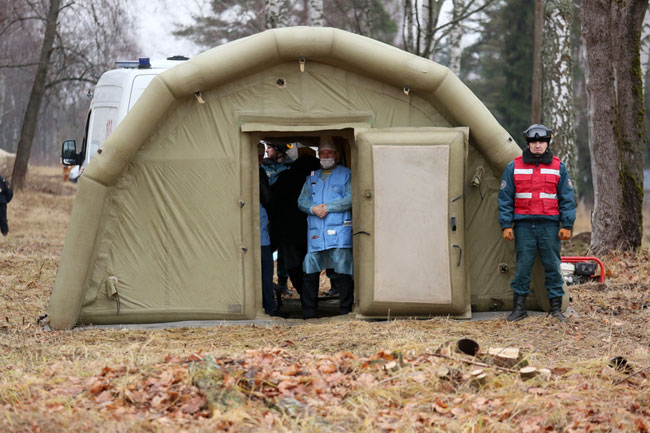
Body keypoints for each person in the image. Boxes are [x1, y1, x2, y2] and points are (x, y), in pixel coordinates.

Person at [498, 124, 576, 323]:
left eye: (542, 142)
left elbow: (567, 198)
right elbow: (505, 198)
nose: (538, 145)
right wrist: (506, 225)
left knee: (552, 266)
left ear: (547, 143)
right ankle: (519, 309)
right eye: (534, 142)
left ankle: (556, 309)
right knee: (523, 267)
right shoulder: (513, 167)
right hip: (524, 227)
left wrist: (566, 225)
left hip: (549, 227)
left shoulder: (559, 167)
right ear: (528, 144)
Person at [297, 136, 353, 318]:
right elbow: (301, 201)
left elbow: (351, 198)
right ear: (318, 155)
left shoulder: (346, 174)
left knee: (343, 269)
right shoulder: (311, 177)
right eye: (322, 153)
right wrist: (312, 209)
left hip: (339, 231)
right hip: (316, 232)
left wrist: (328, 208)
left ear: (336, 155)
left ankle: (345, 310)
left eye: (329, 153)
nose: (326, 156)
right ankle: (309, 312)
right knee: (310, 270)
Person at [270, 153, 321, 300]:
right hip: (311, 229)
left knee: (293, 265)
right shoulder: (316, 180)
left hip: (288, 230)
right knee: (311, 266)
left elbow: (272, 200)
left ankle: (306, 297)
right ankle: (309, 298)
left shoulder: (286, 177)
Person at [258, 143, 279, 317]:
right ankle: (269, 307)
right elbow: (268, 199)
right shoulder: (258, 173)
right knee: (265, 271)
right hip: (260, 231)